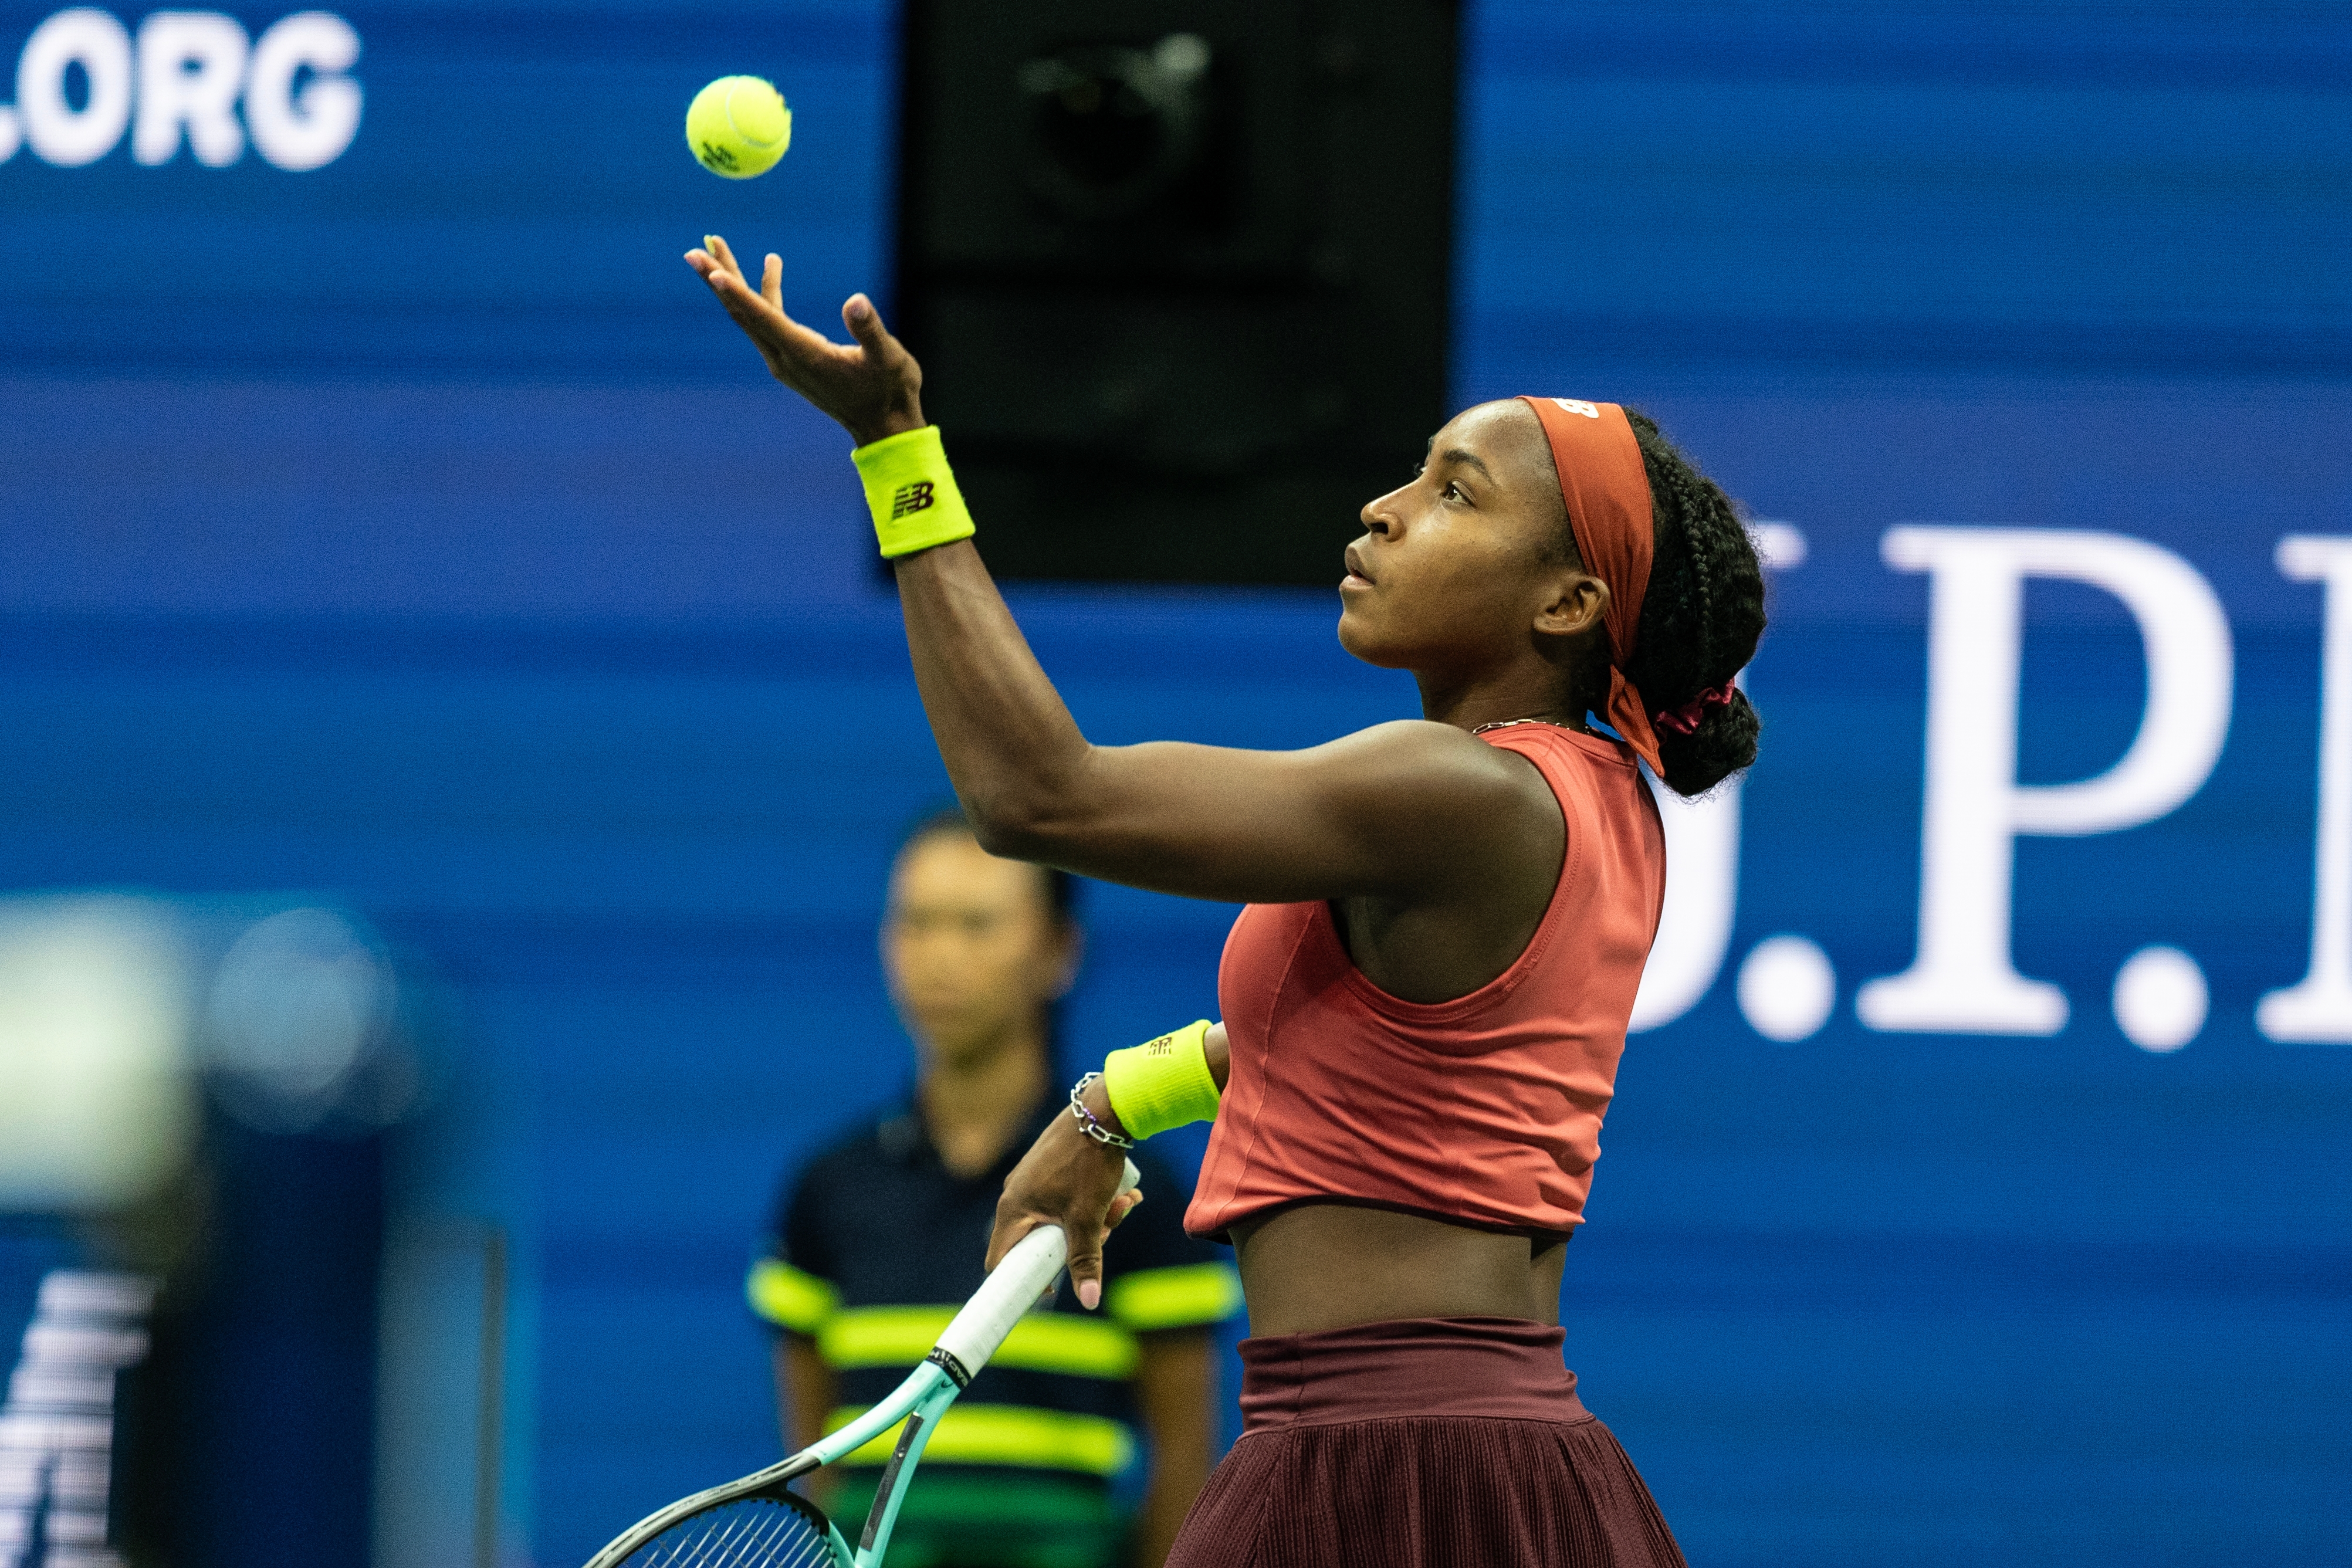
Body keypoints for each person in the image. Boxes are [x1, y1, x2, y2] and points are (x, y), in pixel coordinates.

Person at [689, 235, 1764, 1566]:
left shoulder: (1455, 789)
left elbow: (1040, 796)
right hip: (1498, 1453)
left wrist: (895, 447)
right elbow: (1366, 1057)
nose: (1382, 507)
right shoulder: (1594, 799)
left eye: (1454, 495)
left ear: (1566, 600)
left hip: (1382, 1467)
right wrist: (1113, 1106)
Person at [749, 808, 1240, 1568]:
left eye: (977, 925)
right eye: (915, 923)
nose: (939, 956)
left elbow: (1182, 1469)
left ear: (1058, 950)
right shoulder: (824, 1193)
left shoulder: (1144, 1198)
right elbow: (821, 1470)